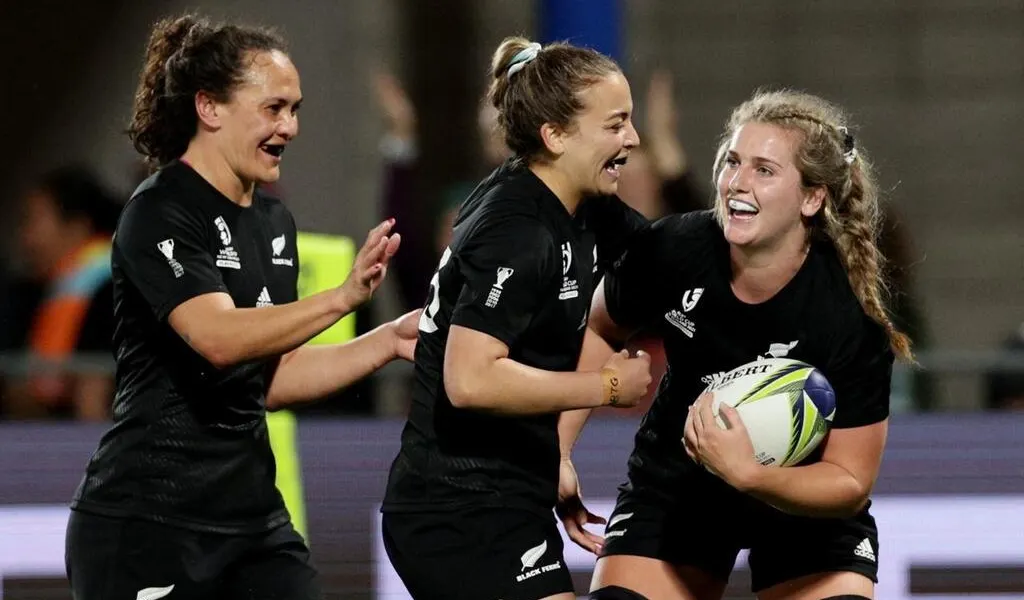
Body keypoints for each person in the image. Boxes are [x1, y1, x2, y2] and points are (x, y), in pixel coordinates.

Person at [64, 13, 419, 600]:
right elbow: (219, 338)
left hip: (253, 526)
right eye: (274, 108)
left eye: (295, 109)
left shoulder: (274, 222)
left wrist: (386, 341)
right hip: (148, 524)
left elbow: (270, 379)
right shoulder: (160, 210)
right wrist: (341, 298)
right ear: (209, 107)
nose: (290, 127)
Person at [563, 90, 914, 600]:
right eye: (733, 161)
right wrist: (560, 450)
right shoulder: (673, 247)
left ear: (812, 198)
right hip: (681, 481)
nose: (737, 183)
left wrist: (749, 474)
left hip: (802, 502)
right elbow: (599, 328)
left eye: (764, 170)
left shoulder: (846, 313)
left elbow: (849, 481)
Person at [380, 37, 654, 600]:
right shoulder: (518, 229)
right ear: (555, 136)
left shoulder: (577, 205)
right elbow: (470, 380)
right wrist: (607, 387)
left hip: (504, 498)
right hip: (457, 509)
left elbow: (668, 254)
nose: (632, 138)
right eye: (616, 124)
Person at [1, 165, 122, 421]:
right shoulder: (42, 291)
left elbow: (92, 400)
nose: (25, 239)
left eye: (32, 221)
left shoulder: (114, 290)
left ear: (77, 226)